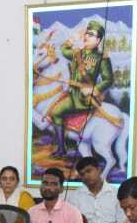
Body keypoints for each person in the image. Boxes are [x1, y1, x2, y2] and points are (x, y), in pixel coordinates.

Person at [47, 20, 113, 159]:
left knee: (56, 112)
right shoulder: (77, 53)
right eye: (86, 33)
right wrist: (73, 39)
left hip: (84, 99)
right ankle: (62, 148)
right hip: (73, 93)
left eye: (91, 34)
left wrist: (93, 89)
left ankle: (62, 149)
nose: (87, 36)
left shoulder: (102, 58)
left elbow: (108, 80)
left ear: (98, 40)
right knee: (53, 109)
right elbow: (64, 50)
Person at [71, 156, 124, 223]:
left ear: (99, 170)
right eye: (82, 174)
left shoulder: (116, 194)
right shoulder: (75, 196)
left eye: (89, 171)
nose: (86, 176)